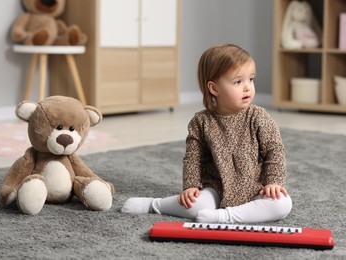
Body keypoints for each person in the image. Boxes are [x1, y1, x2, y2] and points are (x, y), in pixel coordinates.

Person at [122, 44, 292, 223]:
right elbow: (193, 158)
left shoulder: (258, 116)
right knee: (195, 205)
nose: (247, 87)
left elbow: (275, 150)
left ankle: (225, 216)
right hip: (216, 188)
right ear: (214, 89)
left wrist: (273, 182)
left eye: (251, 79)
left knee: (282, 204)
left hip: (255, 188)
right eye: (238, 82)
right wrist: (191, 186)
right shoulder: (201, 122)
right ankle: (154, 205)